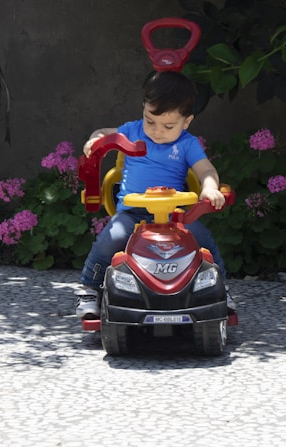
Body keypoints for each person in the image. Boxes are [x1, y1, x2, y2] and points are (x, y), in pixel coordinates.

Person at [75, 70, 236, 319]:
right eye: (150, 120)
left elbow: (205, 169)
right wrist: (95, 140)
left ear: (187, 121)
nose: (156, 131)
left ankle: (220, 288)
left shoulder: (187, 144)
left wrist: (209, 187)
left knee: (202, 238)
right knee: (111, 237)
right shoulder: (132, 131)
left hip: (174, 216)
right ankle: (90, 289)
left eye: (168, 125)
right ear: (143, 109)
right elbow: (105, 134)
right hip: (132, 212)